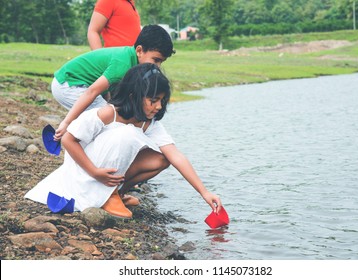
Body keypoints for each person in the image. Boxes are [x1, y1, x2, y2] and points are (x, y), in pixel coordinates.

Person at [25, 63, 222, 219]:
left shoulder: (149, 123)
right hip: (85, 171)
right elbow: (68, 140)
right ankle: (107, 196)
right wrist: (94, 172)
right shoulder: (107, 113)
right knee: (127, 134)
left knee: (162, 159)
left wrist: (204, 192)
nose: (158, 106)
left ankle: (116, 192)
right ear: (133, 96)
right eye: (153, 100)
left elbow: (176, 156)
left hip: (106, 173)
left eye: (162, 100)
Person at [52, 24, 175, 140]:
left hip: (76, 85)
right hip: (69, 84)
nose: (157, 67)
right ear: (139, 51)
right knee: (108, 119)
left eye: (161, 62)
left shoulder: (132, 61)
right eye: (156, 60)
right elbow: (92, 91)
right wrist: (67, 122)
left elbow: (110, 91)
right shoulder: (123, 64)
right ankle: (73, 140)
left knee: (111, 116)